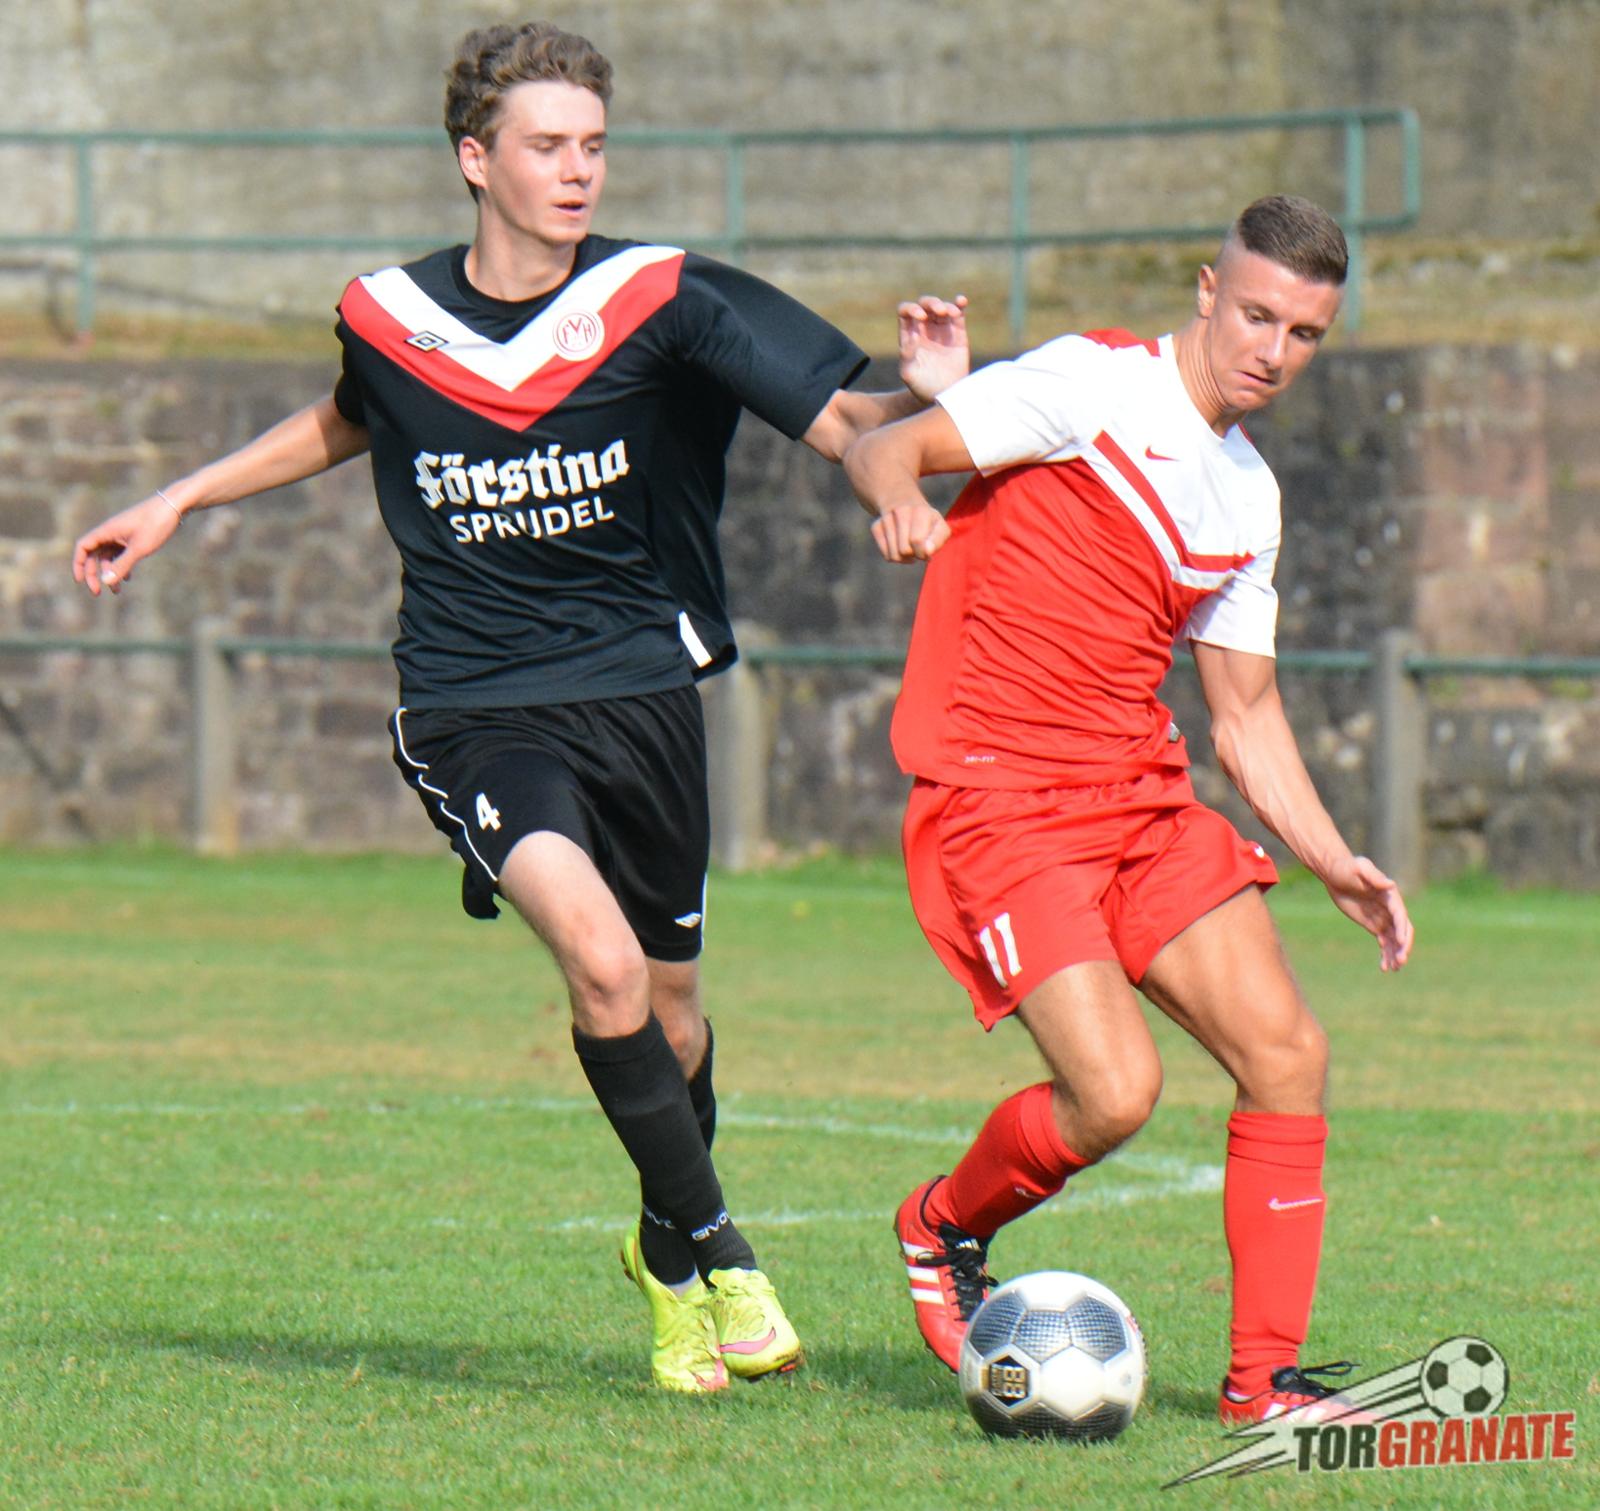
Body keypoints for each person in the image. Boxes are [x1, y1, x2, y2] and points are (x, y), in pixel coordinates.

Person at [71, 20, 968, 1396]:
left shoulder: (665, 297)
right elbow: (354, 414)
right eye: (548, 146)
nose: (578, 170)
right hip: (475, 700)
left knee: (672, 1015)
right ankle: (728, 1256)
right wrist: (179, 496)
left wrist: (925, 407)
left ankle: (664, 1261)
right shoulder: (388, 314)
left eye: (594, 145)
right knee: (601, 966)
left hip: (643, 692)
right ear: (474, 159)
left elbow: (850, 421)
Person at [842, 194, 1414, 1425]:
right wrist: (899, 498)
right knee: (1112, 1094)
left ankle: (1262, 1385)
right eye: (1255, 315)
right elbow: (887, 448)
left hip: (1136, 800)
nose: (1272, 350)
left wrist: (1335, 861)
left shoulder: (1249, 496)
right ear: (1208, 291)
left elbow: (1244, 716)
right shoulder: (1092, 382)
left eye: (1304, 333)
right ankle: (941, 1223)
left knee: (1288, 1053)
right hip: (1003, 799)